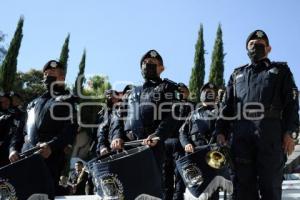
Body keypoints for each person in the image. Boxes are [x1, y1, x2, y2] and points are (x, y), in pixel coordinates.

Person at [215, 30, 299, 200]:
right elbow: (226, 108)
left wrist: (290, 132)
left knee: (270, 186)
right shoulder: (236, 74)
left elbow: (291, 104)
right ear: (247, 49)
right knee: (243, 188)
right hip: (241, 136)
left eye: (260, 44)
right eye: (252, 44)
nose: (256, 46)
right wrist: (220, 132)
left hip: (270, 134)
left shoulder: (281, 70)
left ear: (269, 48)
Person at [110, 49, 180, 199]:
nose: (147, 66)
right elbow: (117, 115)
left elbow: (172, 115)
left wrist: (158, 135)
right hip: (127, 146)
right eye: (145, 63)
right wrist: (116, 136)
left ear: (162, 68)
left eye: (153, 64)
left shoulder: (168, 88)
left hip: (152, 147)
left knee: (151, 190)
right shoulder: (132, 91)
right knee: (127, 189)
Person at [10, 60, 78, 194]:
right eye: (45, 74)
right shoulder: (32, 104)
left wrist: (51, 146)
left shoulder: (68, 100)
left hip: (49, 159)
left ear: (62, 78)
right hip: (23, 160)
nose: (47, 76)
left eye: (51, 73)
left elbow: (70, 130)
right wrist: (13, 149)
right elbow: (18, 133)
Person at [179, 82, 219, 200]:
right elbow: (182, 132)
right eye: (206, 91)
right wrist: (186, 144)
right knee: (196, 192)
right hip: (195, 156)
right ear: (201, 94)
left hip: (213, 156)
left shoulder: (221, 112)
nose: (209, 93)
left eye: (212, 92)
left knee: (212, 192)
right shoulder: (193, 114)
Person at [164, 83, 192, 200]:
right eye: (178, 92)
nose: (181, 94)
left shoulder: (192, 106)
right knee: (166, 175)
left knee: (180, 176)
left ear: (188, 93)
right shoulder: (168, 105)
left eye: (183, 91)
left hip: (181, 144)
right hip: (167, 143)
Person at [96, 89, 121, 156]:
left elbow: (118, 125)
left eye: (112, 97)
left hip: (124, 144)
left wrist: (117, 137)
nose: (110, 99)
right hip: (109, 149)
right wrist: (102, 146)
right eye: (108, 97)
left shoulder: (124, 108)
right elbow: (101, 131)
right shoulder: (105, 114)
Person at [0, 92, 14, 167]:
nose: (6, 103)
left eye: (7, 101)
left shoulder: (13, 114)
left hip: (7, 147)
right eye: (3, 101)